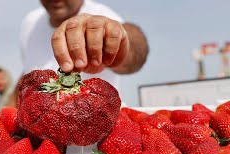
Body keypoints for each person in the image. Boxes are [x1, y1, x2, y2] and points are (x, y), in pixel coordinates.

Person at [11, 0, 149, 107]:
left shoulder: (102, 15)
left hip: (96, 135)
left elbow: (136, 52)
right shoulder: (30, 23)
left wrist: (116, 39)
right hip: (44, 135)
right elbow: (30, 71)